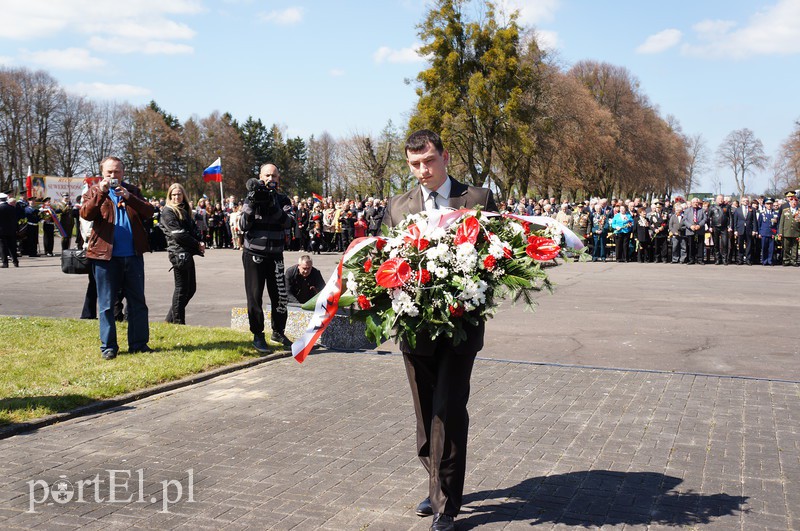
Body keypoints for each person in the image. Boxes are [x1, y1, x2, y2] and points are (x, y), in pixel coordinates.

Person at [381, 129, 497, 531]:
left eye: (428, 161)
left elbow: (497, 255)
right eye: (414, 164)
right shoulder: (397, 206)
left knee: (448, 410)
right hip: (414, 328)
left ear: (444, 156)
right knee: (425, 415)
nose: (422, 171)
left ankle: (445, 506)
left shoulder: (477, 199)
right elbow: (382, 261)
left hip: (461, 327)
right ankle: (437, 483)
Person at [80, 156, 154, 360]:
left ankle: (139, 343)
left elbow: (149, 211)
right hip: (105, 257)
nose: (113, 176)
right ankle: (109, 346)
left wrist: (130, 197)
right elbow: (85, 214)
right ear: (102, 173)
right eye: (109, 172)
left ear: (123, 172)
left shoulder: (132, 191)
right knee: (105, 303)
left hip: (133, 255)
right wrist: (101, 193)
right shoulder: (94, 191)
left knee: (138, 302)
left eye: (117, 172)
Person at [240, 163, 295, 352]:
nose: (270, 179)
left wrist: (274, 207)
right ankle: (257, 335)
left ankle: (278, 331)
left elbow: (289, 222)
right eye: (267, 176)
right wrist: (253, 203)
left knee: (280, 296)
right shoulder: (250, 197)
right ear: (260, 177)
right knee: (254, 297)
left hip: (276, 254)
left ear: (278, 178)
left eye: (274, 176)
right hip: (254, 253)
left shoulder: (283, 199)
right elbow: (243, 225)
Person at [160, 183, 205, 324]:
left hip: (186, 253)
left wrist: (200, 241)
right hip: (178, 253)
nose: (176, 197)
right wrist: (197, 244)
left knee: (190, 289)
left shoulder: (184, 210)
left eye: (179, 194)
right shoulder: (168, 211)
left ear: (183, 195)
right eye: (173, 194)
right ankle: (178, 322)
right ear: (169, 196)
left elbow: (192, 229)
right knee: (181, 289)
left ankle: (170, 320)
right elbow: (178, 235)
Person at [777, 191, 800, 266]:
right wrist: (780, 232)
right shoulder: (785, 210)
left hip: (796, 232)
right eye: (792, 202)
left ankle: (794, 260)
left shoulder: (799, 211)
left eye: (795, 202)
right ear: (789, 203)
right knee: (786, 247)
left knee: (794, 248)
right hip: (786, 231)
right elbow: (781, 222)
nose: (794, 203)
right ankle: (786, 260)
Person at [683, 197, 707, 265]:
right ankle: (691, 259)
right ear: (691, 203)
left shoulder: (702, 210)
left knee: (700, 245)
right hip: (690, 230)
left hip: (700, 230)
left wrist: (699, 225)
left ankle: (700, 259)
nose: (695, 204)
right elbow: (684, 220)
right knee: (691, 245)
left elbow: (705, 219)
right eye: (694, 202)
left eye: (697, 202)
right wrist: (690, 226)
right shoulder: (687, 211)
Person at [0, 193, 19, 268]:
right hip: (11, 230)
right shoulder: (12, 208)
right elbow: (15, 220)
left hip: (1, 231)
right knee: (12, 246)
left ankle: (5, 263)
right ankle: (15, 262)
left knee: (3, 247)